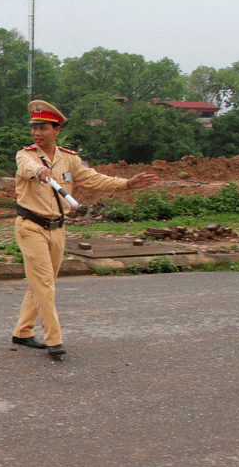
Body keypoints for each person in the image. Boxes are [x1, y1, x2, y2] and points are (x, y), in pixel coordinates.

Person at [12, 100, 158, 358]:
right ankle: (54, 340)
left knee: (42, 281)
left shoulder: (69, 159)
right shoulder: (26, 155)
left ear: (56, 130)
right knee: (44, 282)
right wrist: (40, 171)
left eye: (43, 128)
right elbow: (27, 168)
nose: (36, 133)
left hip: (57, 228)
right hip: (30, 226)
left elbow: (95, 179)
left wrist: (127, 184)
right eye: (34, 127)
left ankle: (23, 332)